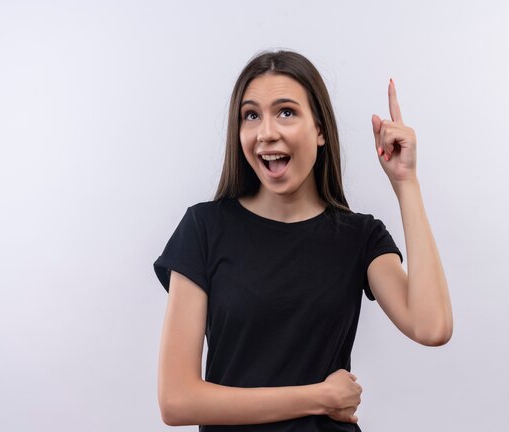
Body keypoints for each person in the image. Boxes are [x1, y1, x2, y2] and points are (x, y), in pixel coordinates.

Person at [153, 50, 453, 431]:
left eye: (286, 112)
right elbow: (177, 400)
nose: (266, 132)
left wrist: (405, 183)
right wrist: (320, 397)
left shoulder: (359, 237)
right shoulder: (205, 227)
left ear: (320, 129)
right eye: (251, 115)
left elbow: (432, 327)